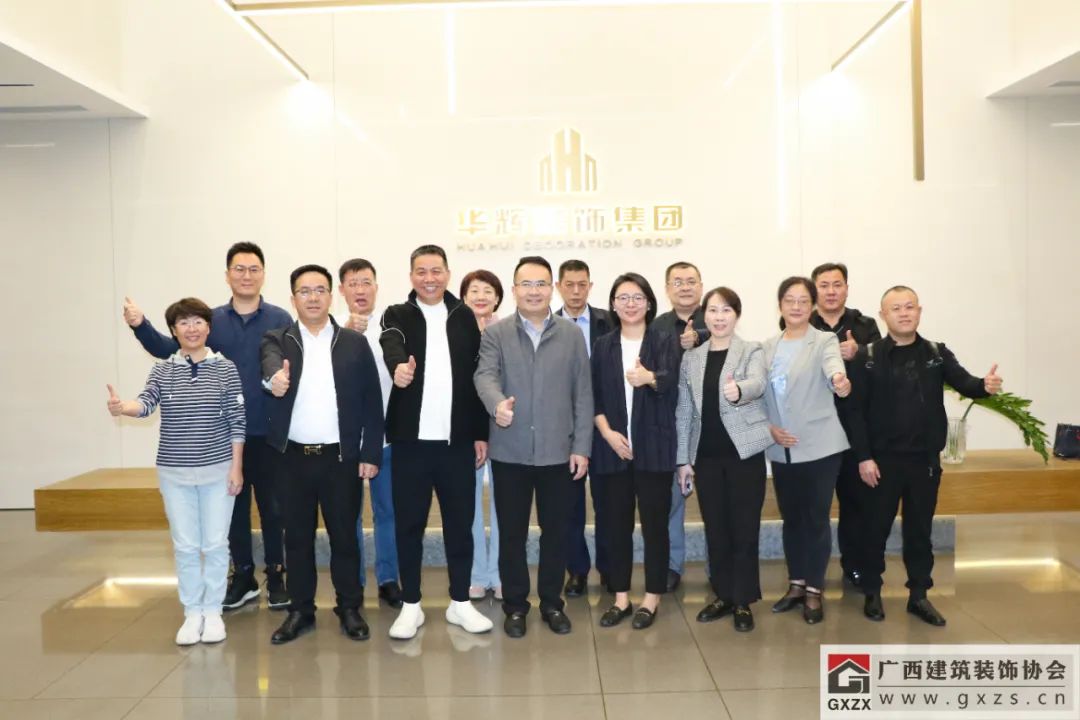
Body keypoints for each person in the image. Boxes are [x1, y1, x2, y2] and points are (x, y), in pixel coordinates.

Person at [123, 242, 291, 611]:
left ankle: (277, 576)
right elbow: (170, 348)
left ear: (263, 274)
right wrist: (140, 326)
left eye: (253, 269)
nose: (246, 275)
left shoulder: (280, 318)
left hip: (271, 434)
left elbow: (299, 364)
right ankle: (243, 576)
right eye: (239, 269)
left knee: (275, 509)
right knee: (233, 513)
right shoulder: (211, 320)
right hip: (226, 440)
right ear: (227, 275)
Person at [846, 286, 1002, 627]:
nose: (904, 313)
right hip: (881, 463)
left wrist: (984, 386)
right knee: (874, 530)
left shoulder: (936, 353)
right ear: (883, 315)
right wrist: (863, 458)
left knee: (920, 531)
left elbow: (965, 383)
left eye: (910, 307)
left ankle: (919, 595)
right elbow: (854, 412)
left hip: (924, 462)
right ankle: (872, 591)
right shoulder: (867, 357)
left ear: (919, 311)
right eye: (896, 308)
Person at [107, 297, 245, 645]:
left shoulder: (226, 368)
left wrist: (237, 468)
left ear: (208, 327)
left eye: (198, 321)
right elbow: (146, 403)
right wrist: (124, 407)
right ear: (173, 330)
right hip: (174, 474)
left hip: (218, 471)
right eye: (183, 323)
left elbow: (237, 421)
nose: (191, 329)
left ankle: (213, 611)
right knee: (185, 546)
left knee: (215, 544)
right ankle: (192, 612)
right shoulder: (162, 369)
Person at [261, 264, 384, 644]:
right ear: (293, 298)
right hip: (291, 458)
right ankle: (301, 610)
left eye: (319, 290)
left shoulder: (353, 342)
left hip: (340, 459)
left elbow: (372, 403)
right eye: (304, 291)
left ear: (332, 296)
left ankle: (349, 607)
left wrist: (370, 453)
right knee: (296, 539)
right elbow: (269, 365)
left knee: (344, 537)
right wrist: (274, 379)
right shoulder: (278, 339)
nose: (312, 298)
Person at [474, 256, 593, 638]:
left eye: (541, 283)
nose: (534, 291)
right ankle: (515, 606)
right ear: (514, 290)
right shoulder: (497, 334)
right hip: (510, 451)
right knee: (512, 534)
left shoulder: (571, 335)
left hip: (559, 452)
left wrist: (582, 446)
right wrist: (497, 404)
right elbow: (484, 375)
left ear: (552, 288)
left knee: (556, 533)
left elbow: (583, 393)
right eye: (526, 284)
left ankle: (552, 604)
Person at [379, 245, 493, 640]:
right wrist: (398, 367)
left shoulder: (464, 316)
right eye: (421, 271)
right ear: (411, 275)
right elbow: (391, 342)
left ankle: (460, 602)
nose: (429, 278)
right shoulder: (397, 314)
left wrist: (480, 432)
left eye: (436, 271)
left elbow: (477, 377)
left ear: (447, 273)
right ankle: (411, 605)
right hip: (410, 443)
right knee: (409, 524)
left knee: (460, 525)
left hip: (456, 443)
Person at [675, 287, 771, 632]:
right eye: (713, 310)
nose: (719, 317)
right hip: (706, 456)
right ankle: (724, 594)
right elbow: (684, 410)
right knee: (715, 528)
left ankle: (743, 600)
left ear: (736, 315)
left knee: (744, 528)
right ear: (705, 315)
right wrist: (683, 459)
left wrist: (739, 390)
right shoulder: (692, 358)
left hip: (744, 454)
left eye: (726, 310)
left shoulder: (751, 349)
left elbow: (758, 382)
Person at [590, 273, 679, 630]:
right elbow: (593, 395)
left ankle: (652, 597)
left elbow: (674, 384)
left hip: (654, 448)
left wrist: (650, 378)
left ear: (649, 303)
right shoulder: (603, 345)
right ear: (613, 304)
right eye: (623, 297)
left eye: (637, 297)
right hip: (612, 448)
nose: (630, 304)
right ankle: (621, 598)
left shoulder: (664, 340)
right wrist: (607, 433)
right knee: (616, 526)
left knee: (655, 526)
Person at [764, 276, 851, 625]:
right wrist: (768, 428)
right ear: (780, 305)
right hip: (781, 447)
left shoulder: (824, 341)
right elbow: (759, 394)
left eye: (803, 300)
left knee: (815, 519)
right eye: (790, 300)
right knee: (791, 518)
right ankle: (796, 584)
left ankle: (815, 589)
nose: (796, 306)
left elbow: (834, 368)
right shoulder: (767, 347)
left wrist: (839, 381)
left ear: (812, 306)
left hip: (819, 447)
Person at [800, 262, 882, 588]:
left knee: (855, 504)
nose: (831, 291)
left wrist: (859, 352)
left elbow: (881, 367)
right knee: (813, 506)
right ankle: (810, 574)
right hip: (814, 429)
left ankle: (854, 566)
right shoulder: (802, 323)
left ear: (847, 288)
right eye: (824, 285)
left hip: (855, 429)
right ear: (814, 290)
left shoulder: (865, 326)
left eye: (837, 284)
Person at [338, 258, 402, 610]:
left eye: (366, 283)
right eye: (353, 284)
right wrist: (346, 335)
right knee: (348, 513)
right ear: (341, 290)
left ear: (376, 287)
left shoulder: (391, 328)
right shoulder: (331, 330)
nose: (360, 290)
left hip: (387, 436)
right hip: (344, 440)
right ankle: (353, 582)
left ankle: (389, 579)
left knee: (387, 511)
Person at [554, 259, 613, 597]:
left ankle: (608, 568)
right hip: (565, 427)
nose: (576, 291)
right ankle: (576, 570)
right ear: (559, 287)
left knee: (608, 502)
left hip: (604, 425)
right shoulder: (547, 325)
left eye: (582, 285)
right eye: (569, 285)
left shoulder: (609, 322)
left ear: (590, 286)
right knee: (568, 505)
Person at [650, 261, 708, 592]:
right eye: (678, 282)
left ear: (701, 286)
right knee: (671, 502)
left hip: (713, 427)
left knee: (715, 505)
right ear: (667, 289)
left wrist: (700, 338)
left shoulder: (715, 318)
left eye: (691, 281)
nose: (685, 287)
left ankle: (719, 569)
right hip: (671, 426)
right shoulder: (656, 326)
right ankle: (672, 565)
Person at [460, 269, 505, 600]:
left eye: (487, 290)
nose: (480, 296)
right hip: (467, 431)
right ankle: (477, 574)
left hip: (504, 428)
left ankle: (500, 573)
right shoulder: (455, 334)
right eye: (474, 290)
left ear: (498, 297)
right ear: (463, 297)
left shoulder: (508, 332)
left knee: (505, 505)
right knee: (469, 506)